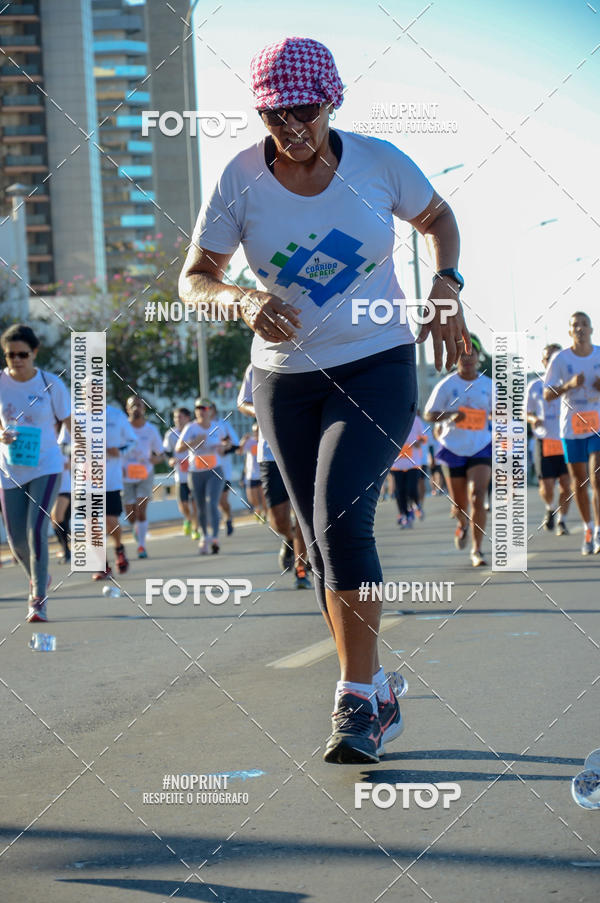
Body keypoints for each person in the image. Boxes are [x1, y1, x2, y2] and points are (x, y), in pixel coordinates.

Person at [179, 37, 470, 763]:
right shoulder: (240, 177)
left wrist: (446, 284)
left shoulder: (378, 162)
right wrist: (242, 301)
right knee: (315, 537)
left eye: (303, 111)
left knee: (340, 513)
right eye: (273, 115)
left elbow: (437, 217)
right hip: (285, 378)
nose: (291, 127)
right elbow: (194, 278)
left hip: (377, 363)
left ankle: (356, 699)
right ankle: (373, 691)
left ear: (331, 100)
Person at [0, 324, 70, 622]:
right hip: (10, 469)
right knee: (16, 541)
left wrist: (80, 457)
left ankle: (38, 598)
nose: (16, 360)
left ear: (34, 352)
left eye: (22, 354)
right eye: (10, 355)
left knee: (36, 529)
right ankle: (38, 575)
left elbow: (71, 423)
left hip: (46, 466)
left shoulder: (51, 384)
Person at [237, 362, 312, 589]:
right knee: (278, 521)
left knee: (302, 513)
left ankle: (301, 569)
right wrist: (259, 410)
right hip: (270, 454)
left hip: (304, 450)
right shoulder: (257, 364)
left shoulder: (307, 357)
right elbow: (242, 402)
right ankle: (289, 538)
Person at [424, 338, 492, 567]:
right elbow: (429, 414)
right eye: (462, 354)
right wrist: (451, 415)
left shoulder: (488, 385)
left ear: (478, 356)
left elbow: (502, 413)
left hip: (480, 446)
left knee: (478, 496)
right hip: (453, 448)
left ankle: (477, 549)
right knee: (460, 505)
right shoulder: (446, 385)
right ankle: (462, 523)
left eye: (471, 353)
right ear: (455, 357)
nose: (467, 358)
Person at [544, 312, 600, 555]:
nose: (580, 328)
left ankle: (599, 530)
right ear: (570, 332)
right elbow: (547, 394)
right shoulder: (560, 359)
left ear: (591, 329)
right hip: (572, 427)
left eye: (584, 324)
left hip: (597, 425)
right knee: (579, 481)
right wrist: (568, 386)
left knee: (597, 477)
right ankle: (588, 527)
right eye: (575, 325)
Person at [526, 344, 570, 535]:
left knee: (567, 485)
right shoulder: (535, 386)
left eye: (555, 357)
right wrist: (533, 419)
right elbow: (525, 412)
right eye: (548, 359)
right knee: (547, 486)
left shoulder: (570, 384)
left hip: (566, 439)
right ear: (543, 362)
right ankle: (550, 508)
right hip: (544, 441)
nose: (552, 361)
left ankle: (562, 520)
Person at [176, 397, 229, 554]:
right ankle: (204, 537)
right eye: (198, 408)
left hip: (215, 471)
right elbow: (179, 448)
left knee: (212, 503)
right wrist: (195, 442)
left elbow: (226, 444)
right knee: (200, 507)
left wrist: (223, 447)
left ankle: (215, 537)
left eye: (204, 408)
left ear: (210, 411)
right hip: (196, 472)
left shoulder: (217, 427)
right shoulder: (190, 428)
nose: (201, 411)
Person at [93, 403, 136, 580]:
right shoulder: (75, 416)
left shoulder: (116, 416)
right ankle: (101, 564)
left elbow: (132, 441)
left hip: (110, 479)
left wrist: (119, 451)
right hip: (86, 480)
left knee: (110, 521)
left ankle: (119, 548)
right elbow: (63, 444)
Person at [122, 396, 164, 558]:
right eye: (133, 405)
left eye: (139, 405)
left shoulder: (151, 430)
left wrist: (155, 459)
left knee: (141, 509)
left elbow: (161, 454)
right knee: (130, 514)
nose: (136, 408)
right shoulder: (122, 427)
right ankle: (136, 529)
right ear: (127, 409)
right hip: (125, 474)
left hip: (144, 473)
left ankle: (141, 545)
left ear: (144, 409)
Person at [163, 406, 198, 539]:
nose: (177, 420)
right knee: (183, 505)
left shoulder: (194, 430)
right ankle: (188, 519)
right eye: (175, 417)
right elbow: (166, 451)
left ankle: (195, 529)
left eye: (180, 417)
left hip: (194, 473)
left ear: (187, 418)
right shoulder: (171, 434)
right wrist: (171, 459)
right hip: (180, 475)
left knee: (195, 504)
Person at [389, 413, 427, 527]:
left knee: (411, 489)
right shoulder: (392, 419)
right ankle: (404, 514)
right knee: (400, 491)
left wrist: (419, 442)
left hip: (413, 463)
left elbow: (424, 437)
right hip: (397, 463)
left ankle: (416, 504)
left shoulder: (416, 420)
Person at [210, 402, 240, 536]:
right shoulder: (196, 427)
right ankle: (212, 527)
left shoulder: (223, 424)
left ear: (214, 410)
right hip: (206, 470)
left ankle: (228, 517)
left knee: (222, 501)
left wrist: (226, 449)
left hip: (223, 469)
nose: (205, 411)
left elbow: (236, 444)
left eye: (208, 408)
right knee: (213, 501)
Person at [52, 423, 71, 563]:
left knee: (57, 516)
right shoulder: (41, 445)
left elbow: (71, 463)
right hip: (49, 489)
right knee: (55, 521)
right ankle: (65, 549)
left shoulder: (63, 444)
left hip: (65, 488)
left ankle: (67, 551)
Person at [239, 423, 267, 518]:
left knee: (264, 498)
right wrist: (243, 440)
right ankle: (258, 512)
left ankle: (265, 514)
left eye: (258, 431)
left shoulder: (265, 441)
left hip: (263, 474)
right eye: (254, 431)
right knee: (253, 499)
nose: (256, 433)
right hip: (251, 475)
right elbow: (239, 451)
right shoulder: (250, 442)